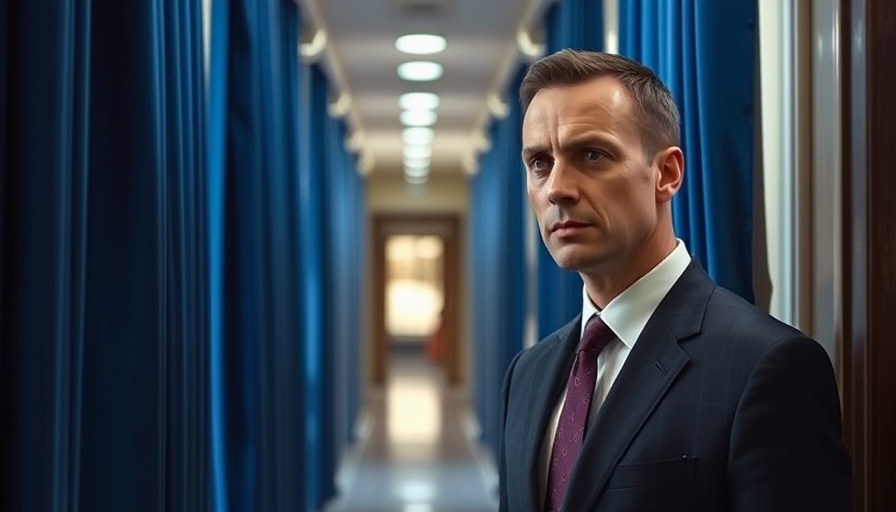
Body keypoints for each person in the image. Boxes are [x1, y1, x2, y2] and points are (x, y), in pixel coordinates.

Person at [498, 49, 851, 512]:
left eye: (591, 154)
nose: (557, 187)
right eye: (540, 162)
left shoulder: (766, 367)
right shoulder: (527, 374)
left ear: (666, 174)